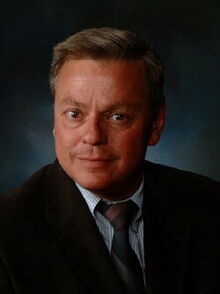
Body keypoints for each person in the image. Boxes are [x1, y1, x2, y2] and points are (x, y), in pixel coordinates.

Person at [0, 27, 219, 294]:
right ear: (55, 122)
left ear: (155, 124)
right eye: (74, 114)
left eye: (118, 116)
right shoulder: (7, 232)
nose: (92, 136)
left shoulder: (209, 207)